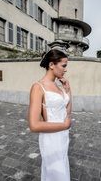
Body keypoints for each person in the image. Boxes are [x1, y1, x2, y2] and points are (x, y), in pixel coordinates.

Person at [28, 49, 72, 181]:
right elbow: (34, 125)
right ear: (52, 65)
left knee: (61, 171)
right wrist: (64, 125)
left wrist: (68, 90)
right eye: (63, 66)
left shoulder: (58, 86)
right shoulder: (38, 87)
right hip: (51, 140)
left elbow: (68, 112)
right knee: (57, 175)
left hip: (63, 138)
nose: (65, 70)